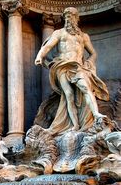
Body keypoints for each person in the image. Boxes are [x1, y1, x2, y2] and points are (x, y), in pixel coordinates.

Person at [35, 7, 109, 135]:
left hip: (78, 66)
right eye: (67, 16)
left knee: (85, 87)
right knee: (68, 94)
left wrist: (89, 63)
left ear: (77, 18)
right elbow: (47, 46)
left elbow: (93, 53)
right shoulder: (59, 33)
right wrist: (39, 56)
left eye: (72, 16)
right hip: (62, 66)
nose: (69, 19)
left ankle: (96, 114)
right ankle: (75, 125)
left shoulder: (84, 36)